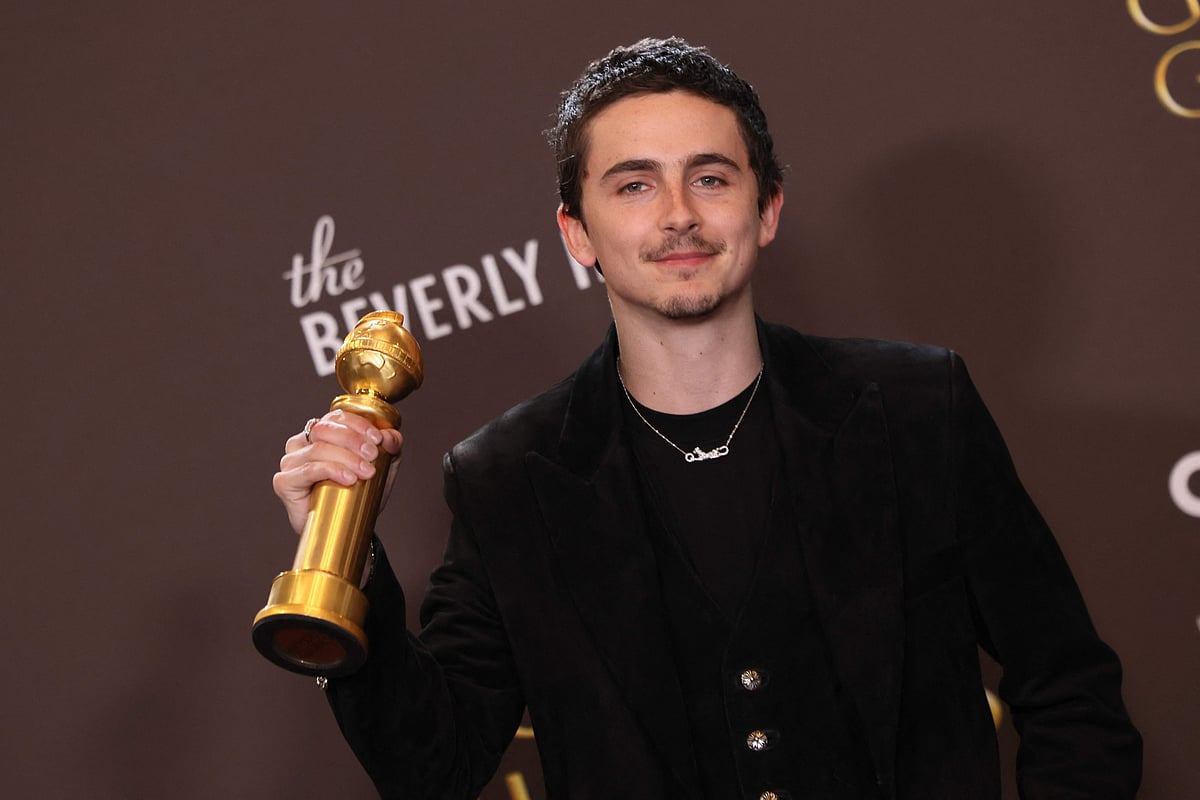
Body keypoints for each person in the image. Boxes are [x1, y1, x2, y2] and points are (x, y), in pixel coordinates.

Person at [273, 37, 1141, 800]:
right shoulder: (506, 478)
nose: (679, 214)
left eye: (711, 177)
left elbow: (1069, 691)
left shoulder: (917, 410)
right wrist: (346, 558)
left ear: (766, 210)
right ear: (578, 233)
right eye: (635, 184)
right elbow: (434, 768)